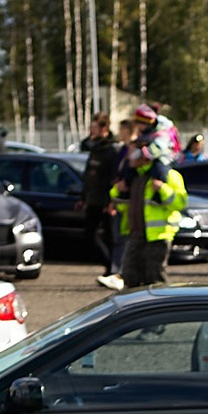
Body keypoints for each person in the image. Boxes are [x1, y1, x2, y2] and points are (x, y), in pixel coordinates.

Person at [112, 130, 188, 289]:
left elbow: (180, 203)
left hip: (158, 237)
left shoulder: (169, 177)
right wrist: (118, 191)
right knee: (130, 277)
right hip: (136, 235)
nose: (128, 156)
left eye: (132, 152)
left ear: (144, 154)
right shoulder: (134, 178)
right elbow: (122, 206)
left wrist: (163, 189)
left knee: (155, 279)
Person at [82, 113, 125, 287]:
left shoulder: (111, 150)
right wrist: (82, 197)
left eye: (94, 128)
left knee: (108, 235)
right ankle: (110, 267)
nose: (91, 132)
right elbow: (88, 175)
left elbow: (111, 177)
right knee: (91, 235)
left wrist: (111, 201)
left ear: (104, 130)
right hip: (92, 198)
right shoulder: (96, 148)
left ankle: (113, 269)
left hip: (105, 200)